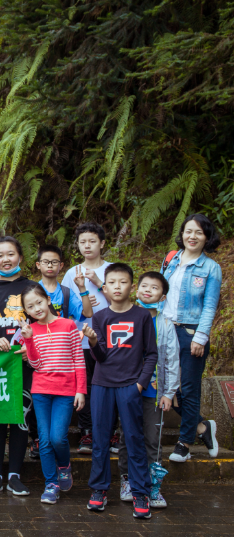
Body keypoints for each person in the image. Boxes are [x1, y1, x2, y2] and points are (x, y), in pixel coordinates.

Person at [84, 263, 157, 520]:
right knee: (100, 440)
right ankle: (99, 489)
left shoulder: (142, 316)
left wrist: (140, 384)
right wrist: (93, 342)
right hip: (102, 385)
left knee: (134, 440)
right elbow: (100, 357)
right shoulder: (101, 316)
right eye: (112, 282)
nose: (117, 286)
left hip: (130, 386)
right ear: (104, 287)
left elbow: (151, 354)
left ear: (131, 286)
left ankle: (140, 492)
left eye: (123, 282)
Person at [17, 283, 86, 505]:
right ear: (26, 311)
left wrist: (80, 391)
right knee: (44, 440)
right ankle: (51, 484)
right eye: (30, 306)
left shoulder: (68, 325)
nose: (36, 308)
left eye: (39, 302)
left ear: (48, 300)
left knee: (58, 437)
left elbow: (79, 360)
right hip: (41, 391)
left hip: (65, 391)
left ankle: (64, 465)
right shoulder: (29, 331)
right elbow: (35, 364)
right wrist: (27, 339)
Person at [162, 213, 222, 463]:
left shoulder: (211, 268)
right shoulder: (170, 259)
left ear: (206, 237)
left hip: (190, 333)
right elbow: (158, 293)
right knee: (166, 387)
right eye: (188, 231)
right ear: (182, 234)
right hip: (166, 330)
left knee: (188, 388)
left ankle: (185, 443)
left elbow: (209, 306)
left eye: (199, 232)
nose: (192, 236)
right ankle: (201, 427)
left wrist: (201, 336)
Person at [116, 271, 180, 508]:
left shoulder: (165, 324)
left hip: (154, 393)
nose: (148, 290)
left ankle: (153, 485)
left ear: (162, 297)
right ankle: (128, 481)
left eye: (154, 288)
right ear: (136, 288)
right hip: (128, 389)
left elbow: (172, 359)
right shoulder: (127, 318)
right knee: (126, 436)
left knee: (153, 439)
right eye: (144, 286)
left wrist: (169, 392)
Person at [0, 236, 35, 497]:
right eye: (0, 255)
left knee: (20, 418)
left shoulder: (33, 288)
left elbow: (44, 322)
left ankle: (14, 474)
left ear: (20, 257)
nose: (5, 259)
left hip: (25, 364)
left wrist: (31, 347)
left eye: (10, 254)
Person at [61, 222, 114, 455]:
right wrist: (82, 302)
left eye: (92, 241)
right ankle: (87, 432)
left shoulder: (112, 270)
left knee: (109, 385)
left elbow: (122, 300)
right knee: (84, 385)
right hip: (80, 340)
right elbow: (63, 306)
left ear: (102, 243)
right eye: (83, 242)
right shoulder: (72, 272)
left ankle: (111, 432)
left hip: (111, 339)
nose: (87, 246)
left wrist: (99, 284)